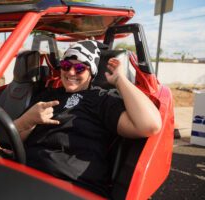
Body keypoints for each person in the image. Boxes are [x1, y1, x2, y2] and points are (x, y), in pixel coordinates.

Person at [13, 40, 162, 197]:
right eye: (66, 66)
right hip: (26, 176)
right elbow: (11, 139)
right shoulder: (47, 95)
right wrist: (26, 121)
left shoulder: (101, 99)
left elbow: (149, 125)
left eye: (79, 68)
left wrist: (120, 80)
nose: (71, 72)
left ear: (91, 73)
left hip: (72, 186)